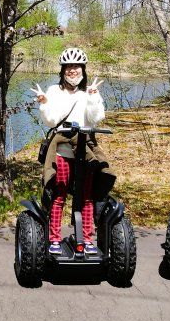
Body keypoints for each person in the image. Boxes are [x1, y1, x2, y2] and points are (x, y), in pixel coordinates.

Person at [32, 47, 115, 255]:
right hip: (61, 151)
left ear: (82, 70)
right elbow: (51, 120)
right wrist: (44, 103)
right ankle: (54, 239)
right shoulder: (53, 91)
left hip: (84, 152)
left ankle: (87, 238)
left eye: (76, 67)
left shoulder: (89, 92)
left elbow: (97, 119)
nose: (72, 71)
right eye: (69, 67)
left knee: (86, 196)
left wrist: (94, 97)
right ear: (63, 70)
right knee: (59, 194)